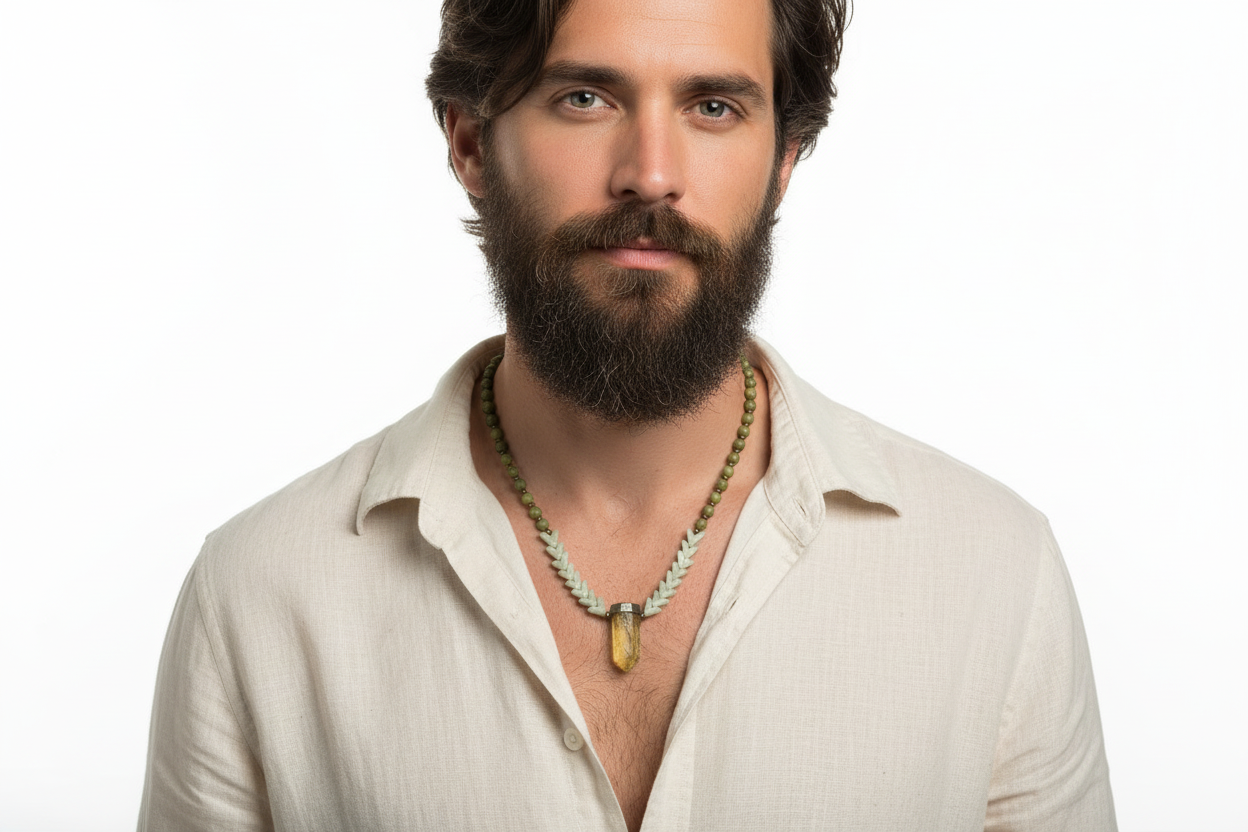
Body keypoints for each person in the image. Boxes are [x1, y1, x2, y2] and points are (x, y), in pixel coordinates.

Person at [138, 0, 1116, 828]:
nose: (650, 173)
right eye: (585, 98)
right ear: (471, 142)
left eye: (714, 106)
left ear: (783, 158)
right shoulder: (261, 595)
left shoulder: (994, 574)